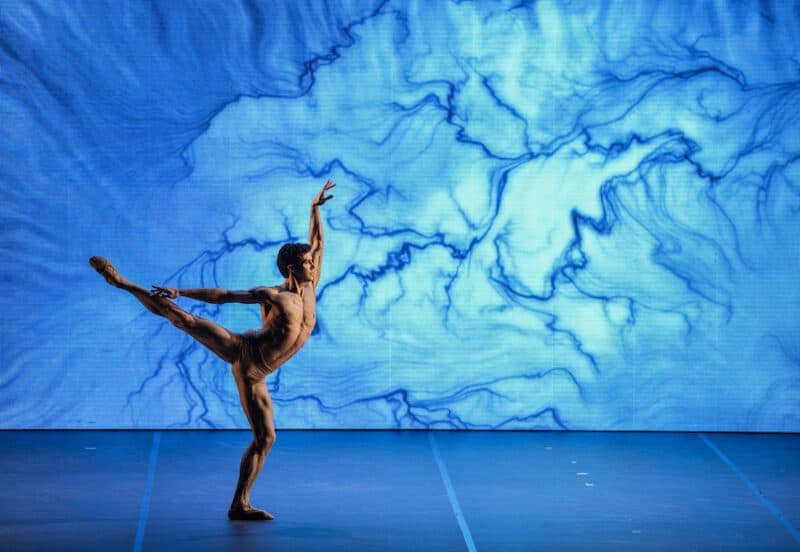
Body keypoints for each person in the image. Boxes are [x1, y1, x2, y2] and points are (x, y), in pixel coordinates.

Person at [89, 180, 335, 520]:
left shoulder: (311, 283)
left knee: (266, 439)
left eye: (312, 260)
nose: (314, 263)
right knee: (185, 321)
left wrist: (313, 209)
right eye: (308, 262)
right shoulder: (275, 295)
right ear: (292, 267)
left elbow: (318, 244)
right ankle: (121, 282)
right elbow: (224, 295)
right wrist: (181, 291)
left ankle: (239, 505)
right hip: (246, 357)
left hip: (262, 373)